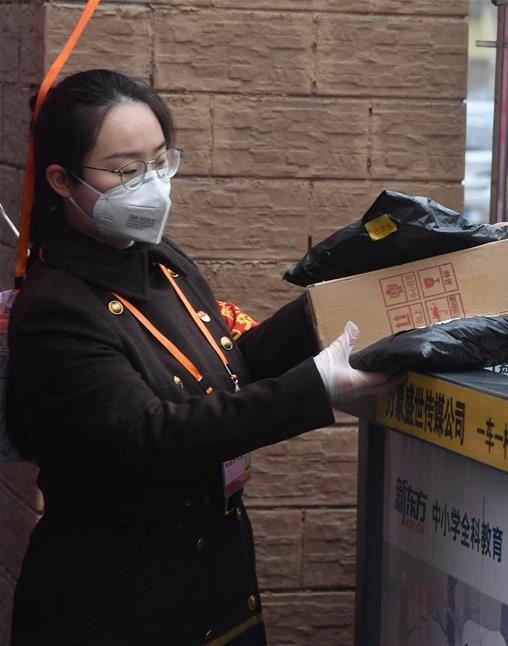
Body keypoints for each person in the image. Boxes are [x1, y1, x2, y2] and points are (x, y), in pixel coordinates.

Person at [8, 69, 393, 644]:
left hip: (216, 576)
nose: (152, 185)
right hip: (118, 598)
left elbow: (227, 366)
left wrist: (328, 309)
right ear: (62, 180)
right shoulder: (54, 307)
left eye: (161, 161)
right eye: (126, 170)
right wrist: (314, 388)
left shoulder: (161, 259)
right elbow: (149, 434)